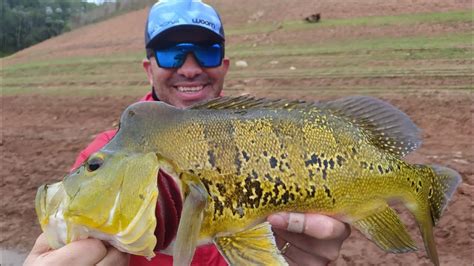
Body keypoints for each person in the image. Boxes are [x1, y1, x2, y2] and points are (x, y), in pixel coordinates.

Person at [24, 0, 350, 265]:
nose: (190, 67)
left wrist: (290, 256)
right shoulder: (108, 155)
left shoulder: (272, 143)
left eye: (206, 50)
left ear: (224, 64)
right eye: (171, 52)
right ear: (148, 68)